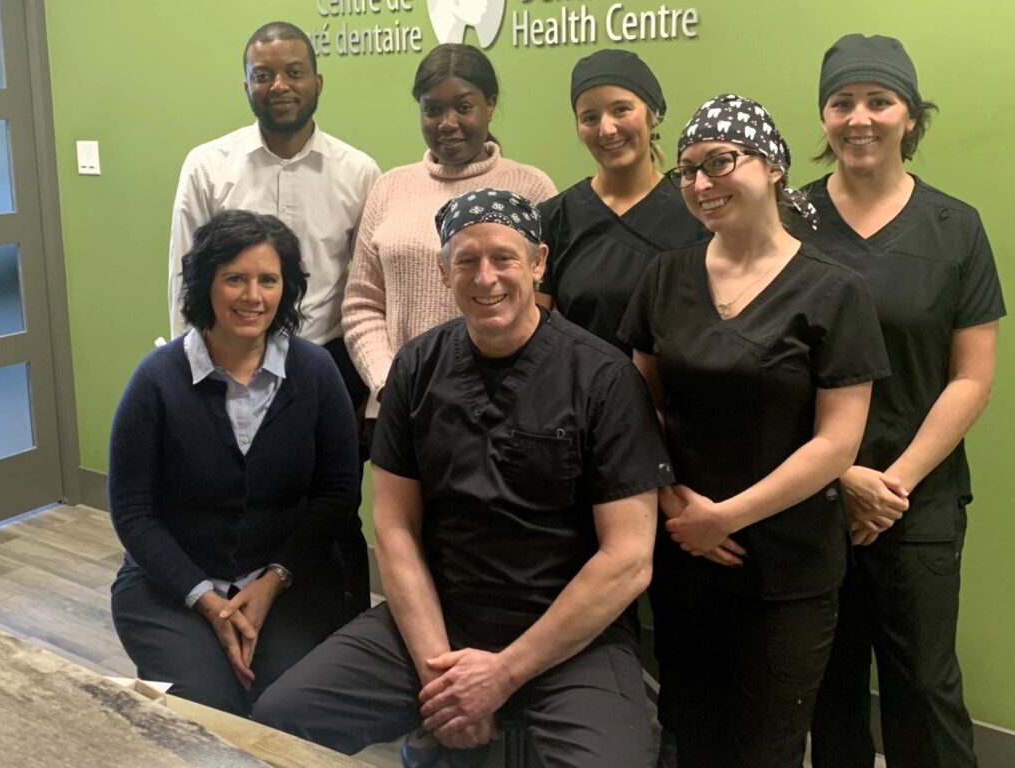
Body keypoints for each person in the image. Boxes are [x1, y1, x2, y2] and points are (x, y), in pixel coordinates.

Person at [254, 189, 674, 768]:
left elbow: (628, 558)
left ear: (538, 262)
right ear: (443, 270)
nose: (485, 277)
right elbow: (395, 527)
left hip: (571, 635)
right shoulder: (416, 369)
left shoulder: (602, 378)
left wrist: (501, 675)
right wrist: (439, 674)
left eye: (503, 257)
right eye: (466, 260)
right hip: (439, 618)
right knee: (281, 719)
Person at [618, 94, 890, 768]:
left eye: (720, 163)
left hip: (787, 571)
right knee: (691, 729)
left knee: (763, 745)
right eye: (687, 170)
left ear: (771, 167)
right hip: (685, 553)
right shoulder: (665, 277)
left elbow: (837, 444)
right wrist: (675, 504)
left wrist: (726, 518)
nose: (702, 185)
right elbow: (639, 406)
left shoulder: (833, 290)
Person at [805, 35, 1005, 768]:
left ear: (911, 118)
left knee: (924, 685)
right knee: (830, 688)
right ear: (823, 118)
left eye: (879, 101)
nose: (860, 118)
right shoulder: (788, 222)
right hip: (815, 495)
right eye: (842, 102)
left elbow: (971, 378)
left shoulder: (956, 228)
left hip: (916, 500)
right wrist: (839, 473)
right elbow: (771, 370)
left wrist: (894, 483)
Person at [110, 210, 361, 717]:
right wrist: (206, 598)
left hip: (292, 583)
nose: (253, 296)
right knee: (208, 710)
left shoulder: (315, 372)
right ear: (207, 285)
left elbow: (337, 494)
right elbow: (133, 511)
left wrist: (272, 582)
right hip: (173, 586)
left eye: (268, 280)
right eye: (235, 279)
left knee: (283, 707)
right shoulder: (157, 380)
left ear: (286, 288)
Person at [167, 20, 378, 617]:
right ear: (246, 85)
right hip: (227, 361)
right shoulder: (208, 166)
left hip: (328, 368)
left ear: (317, 80)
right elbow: (185, 283)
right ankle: (227, 613)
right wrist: (189, 380)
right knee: (234, 495)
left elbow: (365, 287)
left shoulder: (358, 172)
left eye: (293, 72)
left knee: (333, 506)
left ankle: (339, 628)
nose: (279, 85)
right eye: (263, 75)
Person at [342, 43, 555, 430]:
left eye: (463, 106)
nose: (447, 122)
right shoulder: (390, 188)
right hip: (400, 408)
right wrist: (390, 383)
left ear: (490, 105)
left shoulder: (531, 188)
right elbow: (362, 304)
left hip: (505, 411)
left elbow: (546, 305)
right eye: (432, 109)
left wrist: (503, 392)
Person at [538, 48, 706, 353]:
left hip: (678, 397)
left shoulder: (698, 210)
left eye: (621, 110)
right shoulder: (554, 219)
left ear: (653, 114)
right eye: (589, 117)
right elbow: (535, 336)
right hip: (583, 394)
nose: (607, 129)